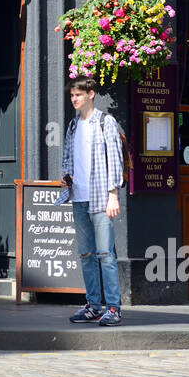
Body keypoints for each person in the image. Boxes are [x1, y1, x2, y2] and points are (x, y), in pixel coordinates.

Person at [62, 77, 126, 327]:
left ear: (91, 94)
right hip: (78, 197)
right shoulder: (72, 125)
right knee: (86, 254)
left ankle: (113, 307)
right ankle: (93, 305)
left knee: (106, 254)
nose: (74, 99)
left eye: (78, 95)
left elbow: (115, 159)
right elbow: (68, 157)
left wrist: (113, 194)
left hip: (100, 197)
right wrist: (66, 176)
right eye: (72, 95)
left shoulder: (105, 122)